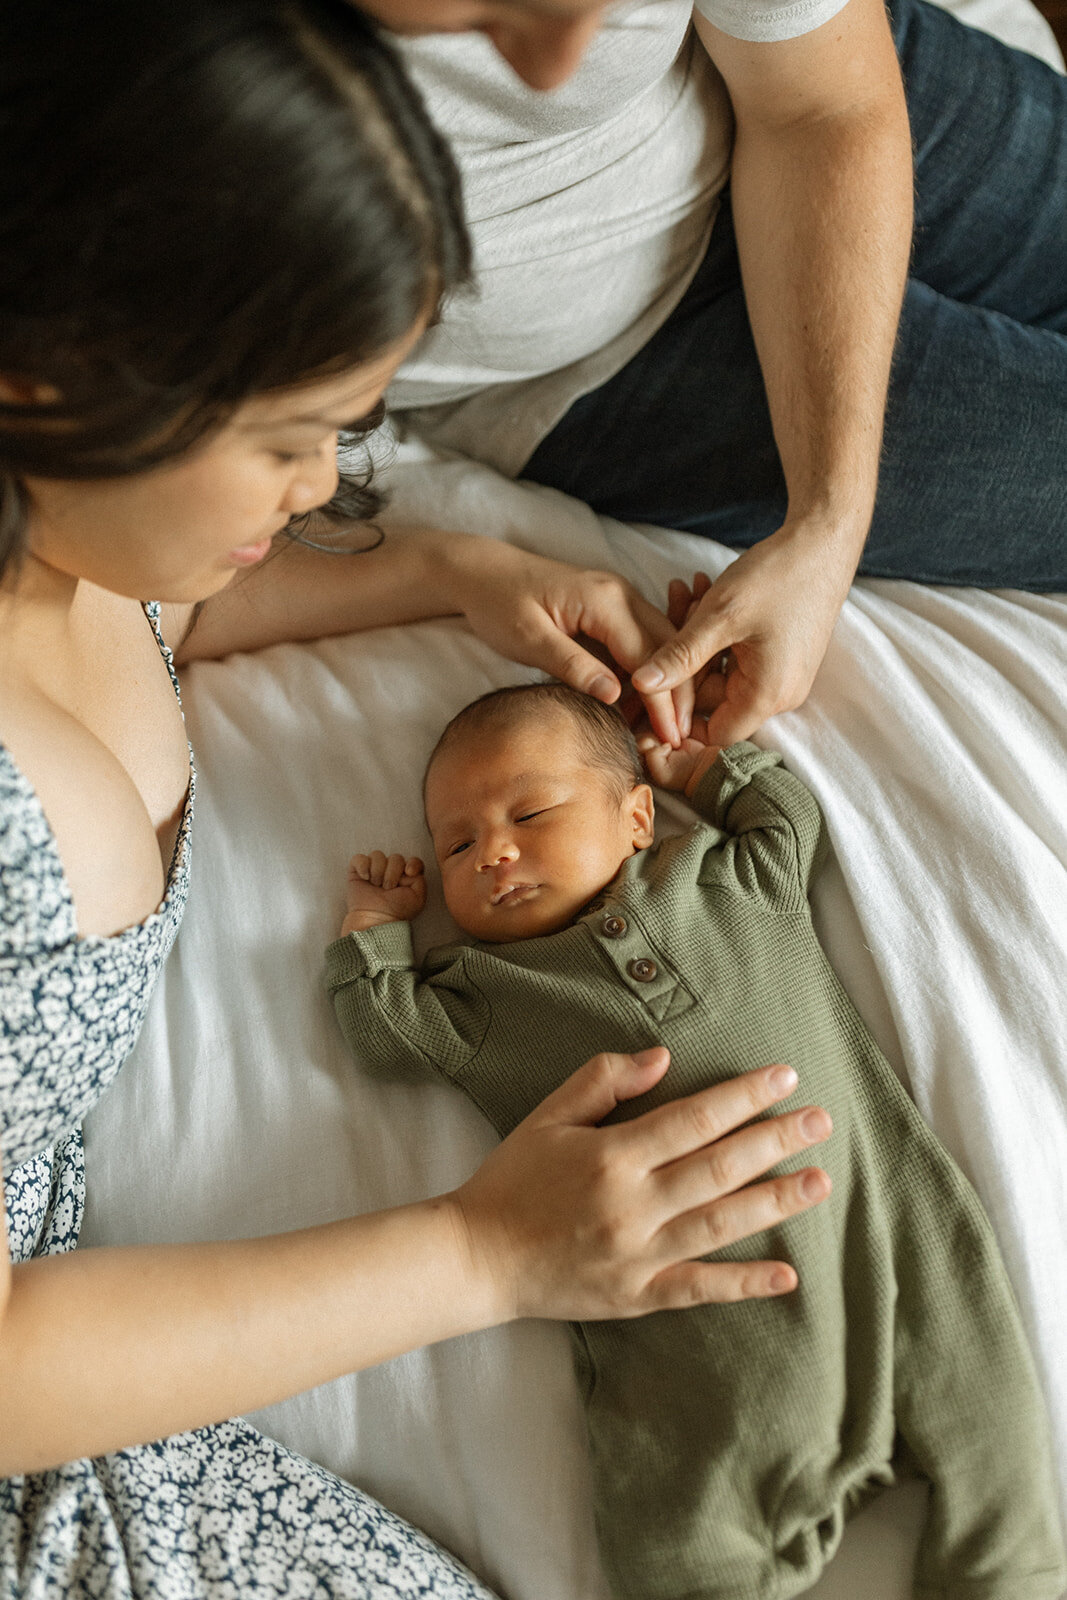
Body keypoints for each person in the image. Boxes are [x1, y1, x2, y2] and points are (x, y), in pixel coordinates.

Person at [0, 3, 836, 1595]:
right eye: (287, 444)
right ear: (50, 379)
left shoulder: (79, 544)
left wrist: (457, 566)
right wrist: (486, 1249)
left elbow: (164, 616)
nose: (323, 491)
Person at [327, 681, 1066, 1599]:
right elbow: (385, 1036)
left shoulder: (719, 879)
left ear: (638, 818)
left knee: (991, 1439)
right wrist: (374, 927)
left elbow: (787, 820)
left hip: (884, 1229)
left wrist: (702, 767)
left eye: (531, 812)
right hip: (707, 1339)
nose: (495, 853)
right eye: (457, 844)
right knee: (687, 1537)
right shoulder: (481, 994)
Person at [350, 0, 1067, 750]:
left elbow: (820, 105)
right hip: (604, 367)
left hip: (815, 99)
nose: (554, 75)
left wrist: (829, 522)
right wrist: (451, 570)